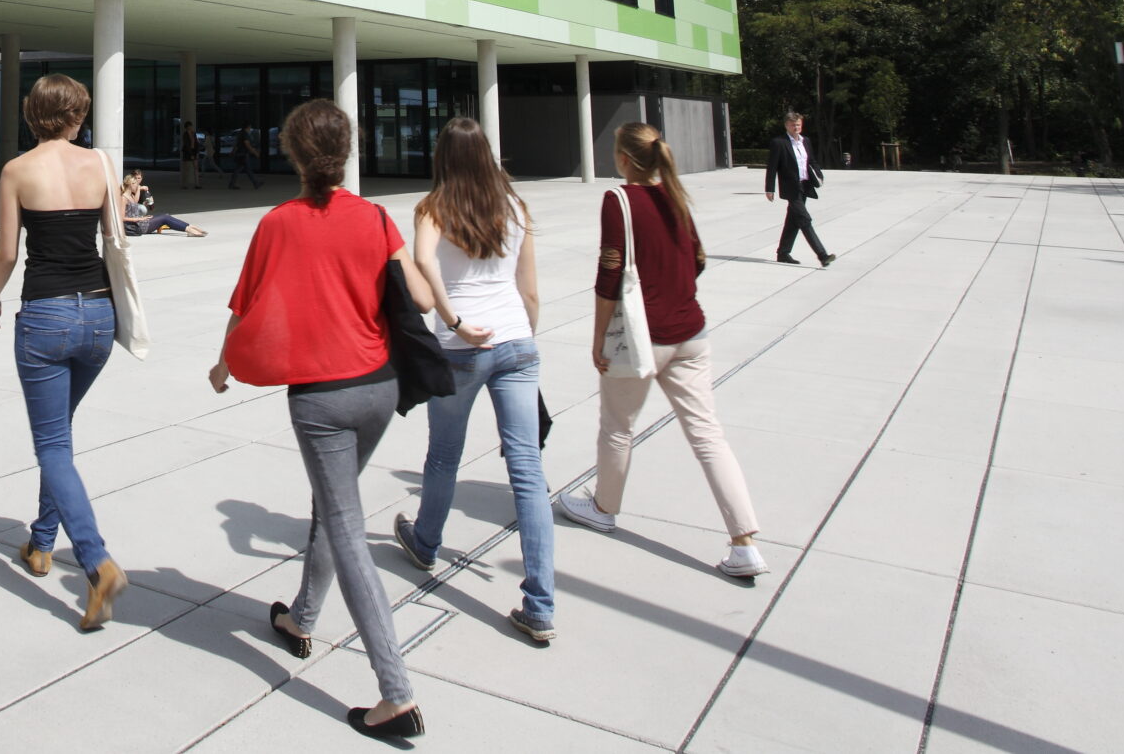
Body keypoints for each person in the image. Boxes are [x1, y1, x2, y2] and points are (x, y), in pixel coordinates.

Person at [209, 99, 429, 740]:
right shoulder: (376, 218)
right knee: (333, 506)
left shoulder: (278, 224)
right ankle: (301, 618)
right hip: (380, 389)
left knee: (344, 524)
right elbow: (414, 293)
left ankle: (397, 693)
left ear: (293, 153)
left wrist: (223, 365)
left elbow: (244, 308)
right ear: (347, 151)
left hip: (322, 400)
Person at [559, 123, 765, 580]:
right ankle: (744, 541)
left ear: (626, 160)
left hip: (642, 337)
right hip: (691, 332)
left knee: (617, 426)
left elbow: (609, 273)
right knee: (708, 436)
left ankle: (603, 507)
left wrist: (597, 337)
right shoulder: (675, 195)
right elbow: (699, 260)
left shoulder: (620, 200)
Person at [394, 117, 556, 645]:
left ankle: (426, 542)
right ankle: (540, 604)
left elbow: (420, 259)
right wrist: (521, 340)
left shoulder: (434, 206)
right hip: (516, 343)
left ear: (443, 156)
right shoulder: (514, 206)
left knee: (444, 456)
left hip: (463, 349)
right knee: (528, 472)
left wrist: (456, 321)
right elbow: (529, 290)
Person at [0, 74, 129, 631]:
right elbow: (116, 234)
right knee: (59, 437)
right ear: (78, 115)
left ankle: (96, 561)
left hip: (44, 317)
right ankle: (41, 545)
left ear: (31, 114)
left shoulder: (17, 171)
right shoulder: (101, 166)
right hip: (98, 315)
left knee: (52, 444)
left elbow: (6, 251)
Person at [764, 111, 832, 267]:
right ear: (786, 125)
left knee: (793, 221)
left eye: (798, 124)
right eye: (793, 125)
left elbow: (812, 161)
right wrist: (769, 188)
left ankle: (783, 253)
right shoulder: (779, 143)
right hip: (790, 188)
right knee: (805, 220)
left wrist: (819, 175)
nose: (796, 127)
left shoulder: (805, 141)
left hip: (805, 185)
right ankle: (822, 255)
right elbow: (772, 167)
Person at [120, 172, 205, 237]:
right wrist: (139, 219)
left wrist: (144, 205)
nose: (137, 185)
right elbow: (122, 217)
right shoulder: (124, 198)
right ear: (130, 184)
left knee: (165, 215)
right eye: (135, 184)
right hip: (138, 226)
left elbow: (134, 207)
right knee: (164, 218)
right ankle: (189, 230)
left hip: (140, 222)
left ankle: (190, 226)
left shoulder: (131, 195)